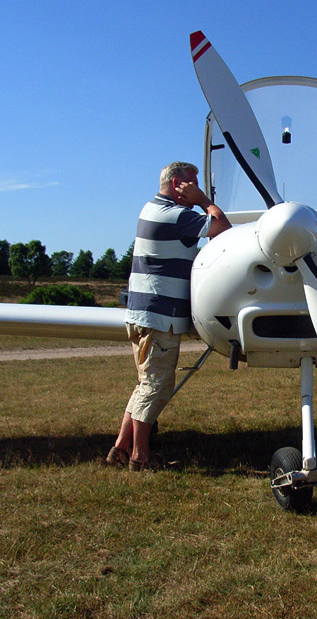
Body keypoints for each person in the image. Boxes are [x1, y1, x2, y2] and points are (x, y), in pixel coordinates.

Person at [106, 162, 231, 470]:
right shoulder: (177, 215)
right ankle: (140, 456)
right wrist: (203, 200)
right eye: (192, 183)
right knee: (156, 386)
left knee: (145, 384)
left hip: (142, 314)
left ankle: (120, 448)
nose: (195, 189)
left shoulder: (149, 209)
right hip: (159, 317)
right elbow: (222, 227)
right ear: (178, 184)